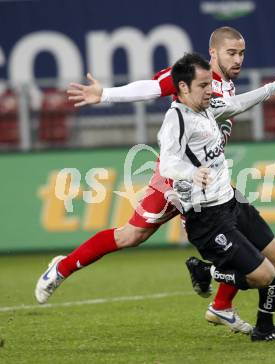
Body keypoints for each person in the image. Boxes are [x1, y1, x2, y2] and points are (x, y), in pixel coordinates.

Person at [35, 27, 260, 334]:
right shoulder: (193, 76)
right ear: (213, 53)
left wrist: (273, 88)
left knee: (243, 232)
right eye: (231, 53)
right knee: (130, 236)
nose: (238, 59)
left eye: (241, 53)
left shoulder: (229, 87)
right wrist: (105, 95)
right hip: (178, 178)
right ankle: (61, 268)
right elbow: (152, 88)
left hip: (209, 180)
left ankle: (221, 306)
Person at [158, 52, 275, 341]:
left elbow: (236, 103)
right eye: (202, 85)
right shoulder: (176, 118)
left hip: (232, 201)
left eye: (210, 83)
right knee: (263, 275)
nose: (210, 89)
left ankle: (264, 329)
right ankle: (207, 271)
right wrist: (190, 172)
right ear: (183, 88)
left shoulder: (208, 107)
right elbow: (167, 162)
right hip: (208, 216)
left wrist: (273, 86)